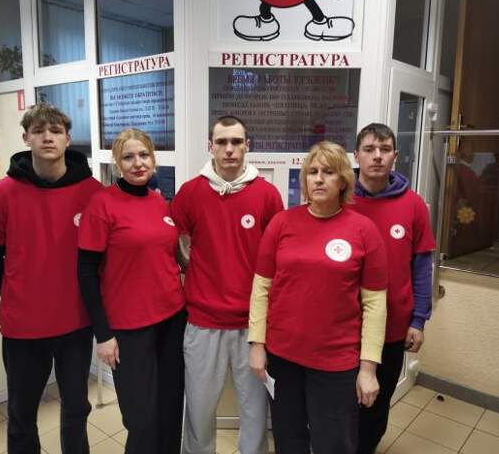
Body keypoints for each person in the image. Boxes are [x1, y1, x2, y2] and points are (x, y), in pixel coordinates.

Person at [0, 104, 103, 454]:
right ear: (26, 138)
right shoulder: (1, 193)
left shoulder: (93, 192)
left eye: (56, 131)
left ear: (68, 139)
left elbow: (103, 255)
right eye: (39, 131)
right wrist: (16, 288)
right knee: (22, 412)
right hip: (23, 325)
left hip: (76, 321)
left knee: (76, 408)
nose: (48, 138)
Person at [248, 141, 388, 454]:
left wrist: (368, 368)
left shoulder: (363, 230)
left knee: (334, 443)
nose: (319, 179)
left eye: (328, 172)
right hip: (283, 357)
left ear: (343, 181)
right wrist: (257, 344)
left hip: (336, 362)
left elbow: (375, 304)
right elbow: (261, 288)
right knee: (288, 440)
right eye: (312, 172)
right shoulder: (282, 223)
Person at [171, 115, 284, 454]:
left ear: (247, 146)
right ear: (211, 146)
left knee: (254, 411)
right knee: (199, 409)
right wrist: (196, 271)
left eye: (236, 142)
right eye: (222, 142)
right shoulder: (191, 192)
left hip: (253, 326)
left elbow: (277, 257)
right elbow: (178, 244)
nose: (229, 149)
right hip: (203, 322)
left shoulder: (267, 194)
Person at [77, 128, 186, 454]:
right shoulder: (102, 204)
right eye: (128, 157)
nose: (138, 163)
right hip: (128, 328)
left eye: (144, 155)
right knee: (141, 419)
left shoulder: (159, 202)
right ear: (117, 163)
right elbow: (86, 272)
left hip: (172, 320)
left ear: (153, 159)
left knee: (170, 410)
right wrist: (103, 334)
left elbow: (167, 257)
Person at [350, 123, 436, 454]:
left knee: (375, 401)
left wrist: (419, 319)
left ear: (395, 156)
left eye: (384, 150)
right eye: (369, 149)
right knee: (340, 401)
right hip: (343, 326)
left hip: (392, 326)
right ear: (356, 156)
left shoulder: (413, 205)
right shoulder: (340, 199)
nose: (377, 156)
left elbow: (422, 265)